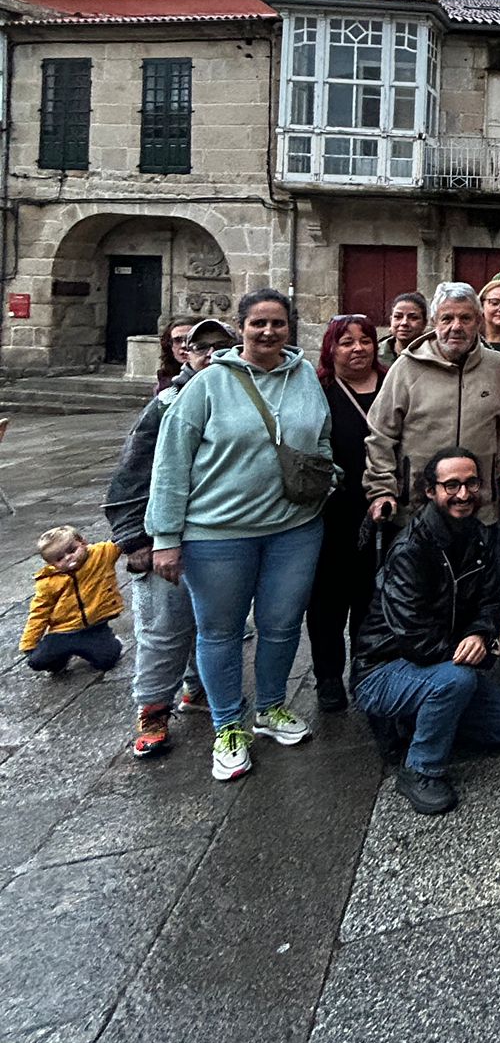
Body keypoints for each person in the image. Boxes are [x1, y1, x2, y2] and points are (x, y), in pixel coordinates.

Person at [147, 287, 334, 783]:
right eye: (259, 324)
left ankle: (271, 706)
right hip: (217, 534)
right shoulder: (208, 384)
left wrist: (326, 474)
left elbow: (320, 437)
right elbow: (171, 462)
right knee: (220, 631)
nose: (268, 332)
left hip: (294, 528)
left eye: (278, 323)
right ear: (241, 327)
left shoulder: (305, 379)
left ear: (290, 328)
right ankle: (228, 723)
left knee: (281, 624)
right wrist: (164, 535)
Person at [351, 449, 500, 816]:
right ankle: (421, 770)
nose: (464, 494)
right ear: (430, 491)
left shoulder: (477, 535)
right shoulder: (411, 549)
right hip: (385, 668)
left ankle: (421, 717)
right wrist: (491, 649)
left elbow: (491, 601)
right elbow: (415, 641)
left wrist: (480, 633)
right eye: (452, 485)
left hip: (439, 662)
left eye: (471, 483)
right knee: (457, 681)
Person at [105, 315, 233, 759]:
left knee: (213, 624)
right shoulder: (166, 403)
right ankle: (152, 709)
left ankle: (198, 689)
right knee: (164, 629)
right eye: (201, 347)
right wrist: (135, 540)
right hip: (166, 536)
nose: (211, 354)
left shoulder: (237, 397)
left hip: (220, 537)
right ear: (186, 355)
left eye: (221, 345)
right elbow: (130, 475)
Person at [364, 283, 500, 521]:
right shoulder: (406, 368)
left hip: (481, 506)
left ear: (479, 321)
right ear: (434, 321)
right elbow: (381, 435)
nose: (456, 327)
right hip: (418, 507)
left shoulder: (497, 366)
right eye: (447, 318)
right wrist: (382, 490)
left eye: (465, 318)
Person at [305, 313, 386, 714]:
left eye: (366, 340)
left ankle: (365, 666)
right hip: (333, 512)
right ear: (331, 349)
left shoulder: (391, 384)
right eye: (347, 342)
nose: (358, 349)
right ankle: (328, 676)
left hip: (384, 509)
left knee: (372, 596)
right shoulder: (318, 389)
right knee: (327, 599)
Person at [20, 527, 124, 675]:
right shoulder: (48, 582)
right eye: (59, 558)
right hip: (62, 631)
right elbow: (39, 612)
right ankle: (59, 661)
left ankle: (113, 644)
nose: (68, 558)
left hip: (95, 627)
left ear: (82, 542)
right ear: (51, 564)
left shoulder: (102, 554)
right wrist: (29, 643)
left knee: (107, 661)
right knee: (36, 661)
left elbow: (121, 543)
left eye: (72, 550)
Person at [379, 290, 429, 369]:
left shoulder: (433, 355)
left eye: (413, 318)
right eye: (398, 317)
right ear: (391, 320)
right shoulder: (375, 355)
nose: (404, 323)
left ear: (424, 323)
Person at [155, 314, 197, 394]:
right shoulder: (165, 380)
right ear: (169, 345)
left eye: (189, 339)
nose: (184, 345)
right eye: (177, 340)